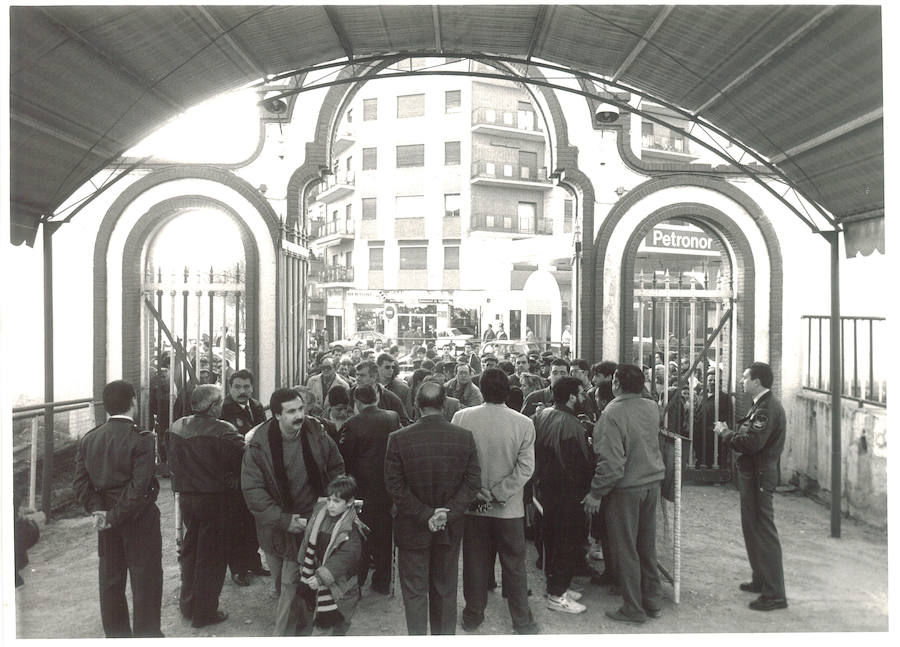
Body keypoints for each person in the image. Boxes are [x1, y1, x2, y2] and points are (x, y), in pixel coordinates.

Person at [241, 388, 345, 635]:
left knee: (292, 584)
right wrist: (284, 520)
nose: (299, 415)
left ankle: (293, 634)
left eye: (301, 409)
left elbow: (336, 467)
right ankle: (301, 625)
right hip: (277, 527)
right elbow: (253, 491)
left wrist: (333, 503)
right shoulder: (258, 445)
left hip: (312, 521)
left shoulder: (316, 433)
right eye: (291, 411)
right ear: (277, 415)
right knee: (282, 583)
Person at [384, 382, 481, 635]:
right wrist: (446, 513)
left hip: (411, 528)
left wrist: (425, 514)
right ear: (444, 403)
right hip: (449, 527)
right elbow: (473, 483)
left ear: (416, 404)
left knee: (415, 593)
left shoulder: (398, 439)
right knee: (446, 590)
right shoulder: (464, 438)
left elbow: (394, 486)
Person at [73, 380, 163, 637]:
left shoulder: (90, 438)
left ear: (106, 406)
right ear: (134, 400)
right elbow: (139, 488)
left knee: (111, 580)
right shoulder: (142, 439)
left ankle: (116, 637)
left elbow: (80, 482)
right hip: (139, 519)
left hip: (106, 519)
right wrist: (111, 516)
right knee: (145, 580)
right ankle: (147, 637)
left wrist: (99, 511)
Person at [452, 368, 538, 634]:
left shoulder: (462, 417)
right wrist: (500, 492)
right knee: (514, 565)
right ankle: (522, 622)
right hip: (508, 509)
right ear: (508, 392)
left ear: (481, 388)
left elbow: (457, 461)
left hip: (474, 506)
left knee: (475, 563)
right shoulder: (523, 422)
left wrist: (476, 490)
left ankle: (473, 615)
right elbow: (526, 468)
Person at [583, 364, 665, 624]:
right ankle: (651, 599)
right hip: (652, 482)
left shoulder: (612, 413)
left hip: (626, 488)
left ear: (616, 383)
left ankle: (633, 607)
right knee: (646, 545)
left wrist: (596, 492)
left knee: (625, 549)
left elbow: (611, 463)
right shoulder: (651, 407)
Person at [169, 384, 245, 627]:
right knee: (212, 556)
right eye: (219, 402)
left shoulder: (177, 426)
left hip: (187, 498)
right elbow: (242, 459)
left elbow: (170, 458)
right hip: (215, 499)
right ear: (213, 406)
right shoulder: (224, 430)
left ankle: (188, 604)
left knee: (191, 551)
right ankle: (205, 612)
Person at [715, 362, 787, 611]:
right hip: (753, 474)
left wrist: (725, 433)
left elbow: (753, 443)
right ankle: (761, 580)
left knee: (763, 531)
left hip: (759, 476)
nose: (742, 381)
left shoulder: (767, 408)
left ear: (757, 381)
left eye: (745, 377)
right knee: (752, 528)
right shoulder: (759, 405)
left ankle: (775, 593)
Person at [532, 376, 595, 614]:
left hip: (547, 489)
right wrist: (590, 490)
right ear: (571, 397)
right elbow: (577, 466)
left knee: (554, 541)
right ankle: (557, 595)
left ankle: (557, 588)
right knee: (568, 543)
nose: (584, 397)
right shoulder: (569, 425)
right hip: (567, 494)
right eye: (581, 393)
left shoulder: (544, 414)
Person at [338, 383, 401, 595]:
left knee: (360, 538)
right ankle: (382, 582)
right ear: (376, 398)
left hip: (362, 491)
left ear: (357, 402)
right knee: (384, 538)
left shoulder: (351, 424)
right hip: (388, 489)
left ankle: (358, 581)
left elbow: (344, 459)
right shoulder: (392, 417)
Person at [293, 475, 366, 636]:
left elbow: (346, 556)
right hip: (325, 583)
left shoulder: (351, 528)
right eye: (329, 500)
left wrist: (321, 576)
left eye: (337, 501)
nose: (331, 505)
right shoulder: (320, 516)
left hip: (344, 586)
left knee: (341, 622)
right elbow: (308, 540)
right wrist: (303, 563)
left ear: (349, 502)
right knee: (323, 629)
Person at [219, 369, 270, 586]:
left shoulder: (257, 406)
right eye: (237, 387)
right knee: (236, 522)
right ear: (230, 388)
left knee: (253, 520)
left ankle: (254, 562)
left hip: (254, 472)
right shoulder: (224, 409)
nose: (242, 391)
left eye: (246, 387)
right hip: (234, 473)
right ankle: (238, 569)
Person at [695, 370, 734, 468]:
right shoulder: (702, 394)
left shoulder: (724, 397)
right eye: (710, 380)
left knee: (713, 456)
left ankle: (714, 475)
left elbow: (727, 417)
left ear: (719, 382)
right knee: (700, 454)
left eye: (714, 380)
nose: (712, 382)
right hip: (700, 431)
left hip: (713, 432)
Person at [353, 360, 410, 425]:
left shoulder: (390, 399)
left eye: (362, 375)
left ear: (374, 377)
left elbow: (404, 423)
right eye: (357, 375)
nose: (357, 379)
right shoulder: (349, 394)